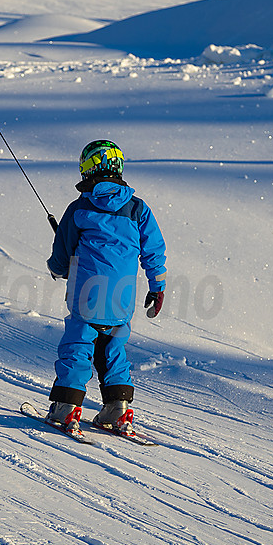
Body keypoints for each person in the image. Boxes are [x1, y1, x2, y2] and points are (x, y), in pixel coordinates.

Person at [45, 140, 167, 436]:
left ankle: (66, 408)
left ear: (87, 169)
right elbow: (153, 251)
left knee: (78, 346)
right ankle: (118, 408)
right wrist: (157, 286)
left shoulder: (79, 208)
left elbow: (62, 253)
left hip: (88, 295)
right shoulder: (138, 209)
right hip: (122, 299)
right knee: (113, 348)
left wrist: (57, 269)